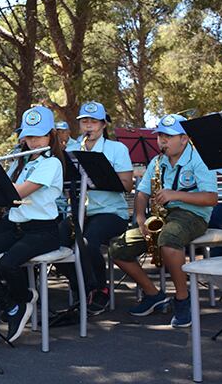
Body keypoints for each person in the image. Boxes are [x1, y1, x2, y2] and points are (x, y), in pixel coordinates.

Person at [0, 106, 64, 343]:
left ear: (51, 136)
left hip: (43, 231)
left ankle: (19, 300)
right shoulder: (21, 162)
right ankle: (15, 304)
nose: (32, 141)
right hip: (17, 228)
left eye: (38, 135)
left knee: (7, 265)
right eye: (28, 136)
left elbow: (15, 193)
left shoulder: (52, 164)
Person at [109, 114, 217, 328]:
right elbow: (141, 193)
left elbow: (211, 198)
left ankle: (182, 299)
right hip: (163, 216)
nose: (162, 141)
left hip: (193, 215)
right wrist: (140, 217)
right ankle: (153, 294)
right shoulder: (157, 162)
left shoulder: (200, 159)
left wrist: (175, 195)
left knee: (168, 239)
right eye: (159, 136)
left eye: (168, 136)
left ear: (184, 139)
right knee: (118, 247)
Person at [66, 102, 134, 315]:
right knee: (56, 239)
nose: (89, 126)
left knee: (87, 241)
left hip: (111, 213)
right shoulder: (71, 150)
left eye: (94, 122)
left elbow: (127, 185)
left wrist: (98, 178)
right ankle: (81, 286)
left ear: (104, 125)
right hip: (80, 212)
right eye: (84, 121)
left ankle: (100, 289)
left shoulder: (117, 149)